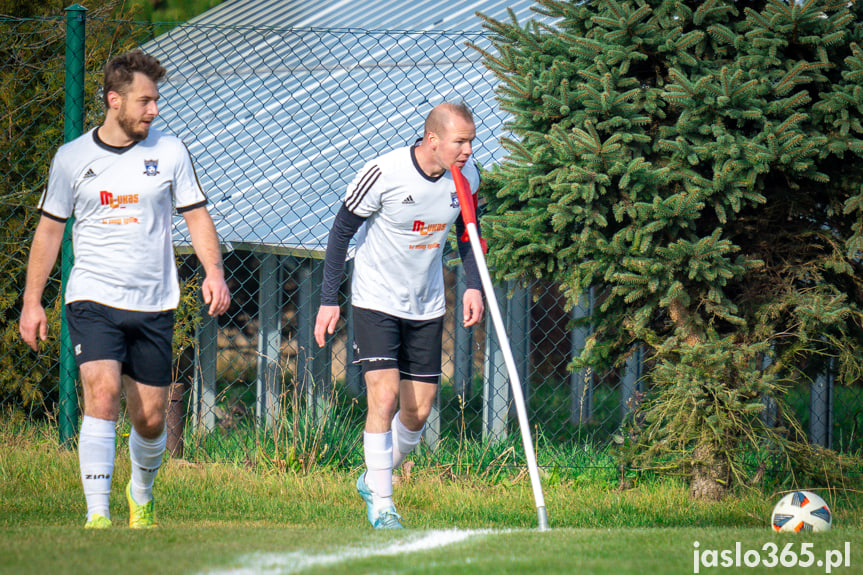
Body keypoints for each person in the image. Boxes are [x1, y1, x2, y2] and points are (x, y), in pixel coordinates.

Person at [18, 50, 230, 529]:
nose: (154, 110)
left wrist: (214, 272)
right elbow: (50, 231)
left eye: (156, 101)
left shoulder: (171, 152)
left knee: (151, 418)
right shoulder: (72, 158)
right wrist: (32, 302)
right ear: (114, 100)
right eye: (145, 101)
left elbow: (196, 217)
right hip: (91, 298)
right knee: (102, 392)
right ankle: (98, 515)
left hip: (154, 302)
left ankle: (141, 495)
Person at [314, 102, 484, 529]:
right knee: (384, 396)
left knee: (418, 412)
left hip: (426, 305)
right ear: (433, 140)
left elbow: (468, 234)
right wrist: (328, 298)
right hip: (375, 299)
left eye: (471, 141)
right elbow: (340, 232)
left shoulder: (467, 178)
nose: (467, 150)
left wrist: (474, 286)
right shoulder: (385, 172)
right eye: (460, 141)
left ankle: (373, 476)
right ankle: (384, 504)